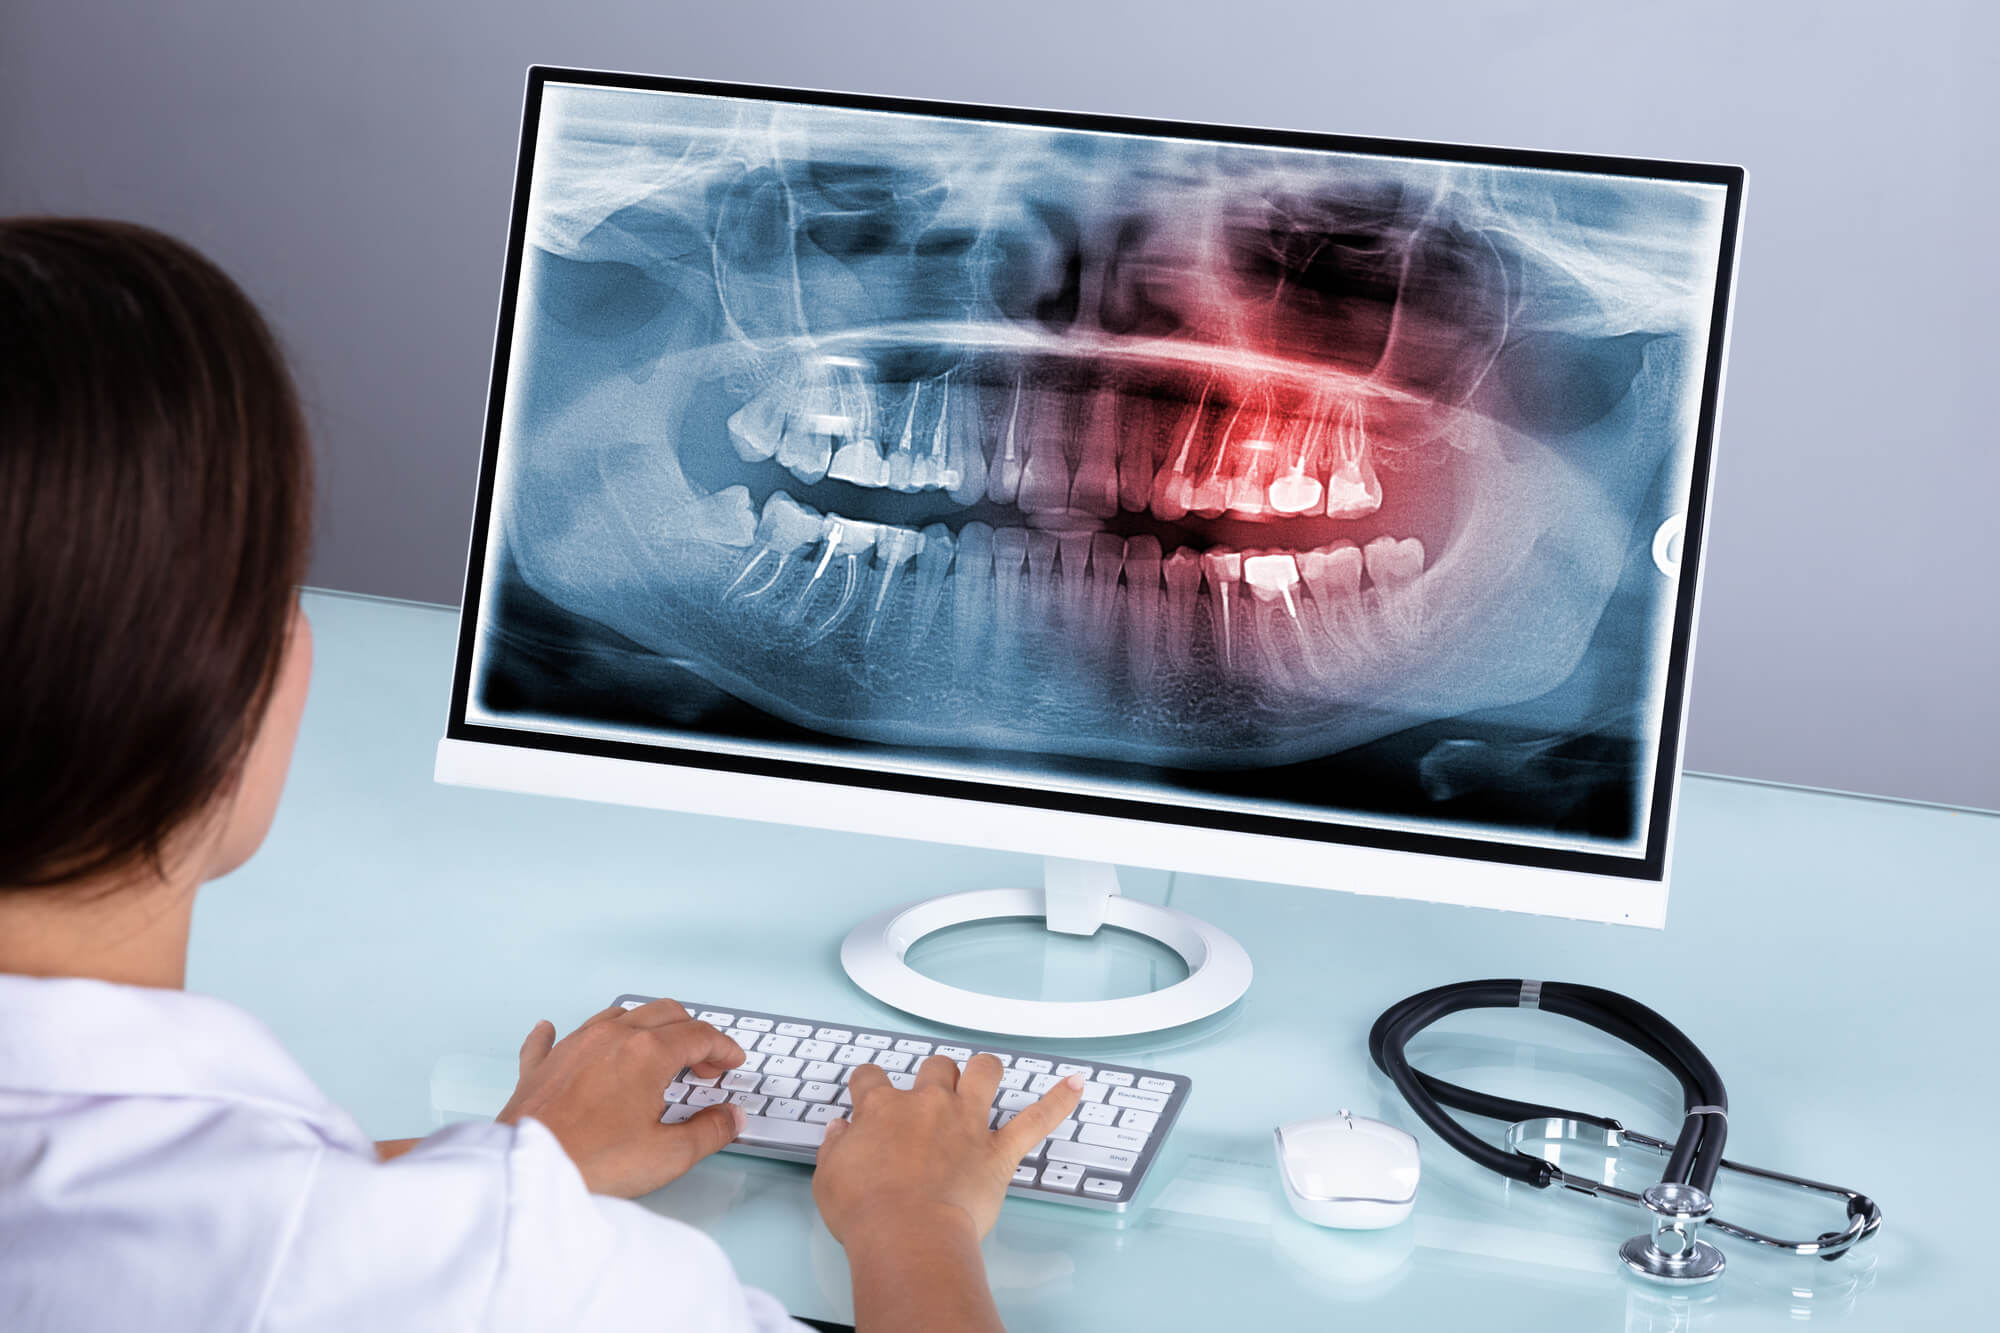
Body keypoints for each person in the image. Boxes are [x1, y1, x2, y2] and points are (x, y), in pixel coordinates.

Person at [0, 218, 1083, 1333]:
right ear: (238, 689)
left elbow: (169, 1213)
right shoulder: (533, 1286)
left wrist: (505, 1167)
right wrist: (912, 1219)